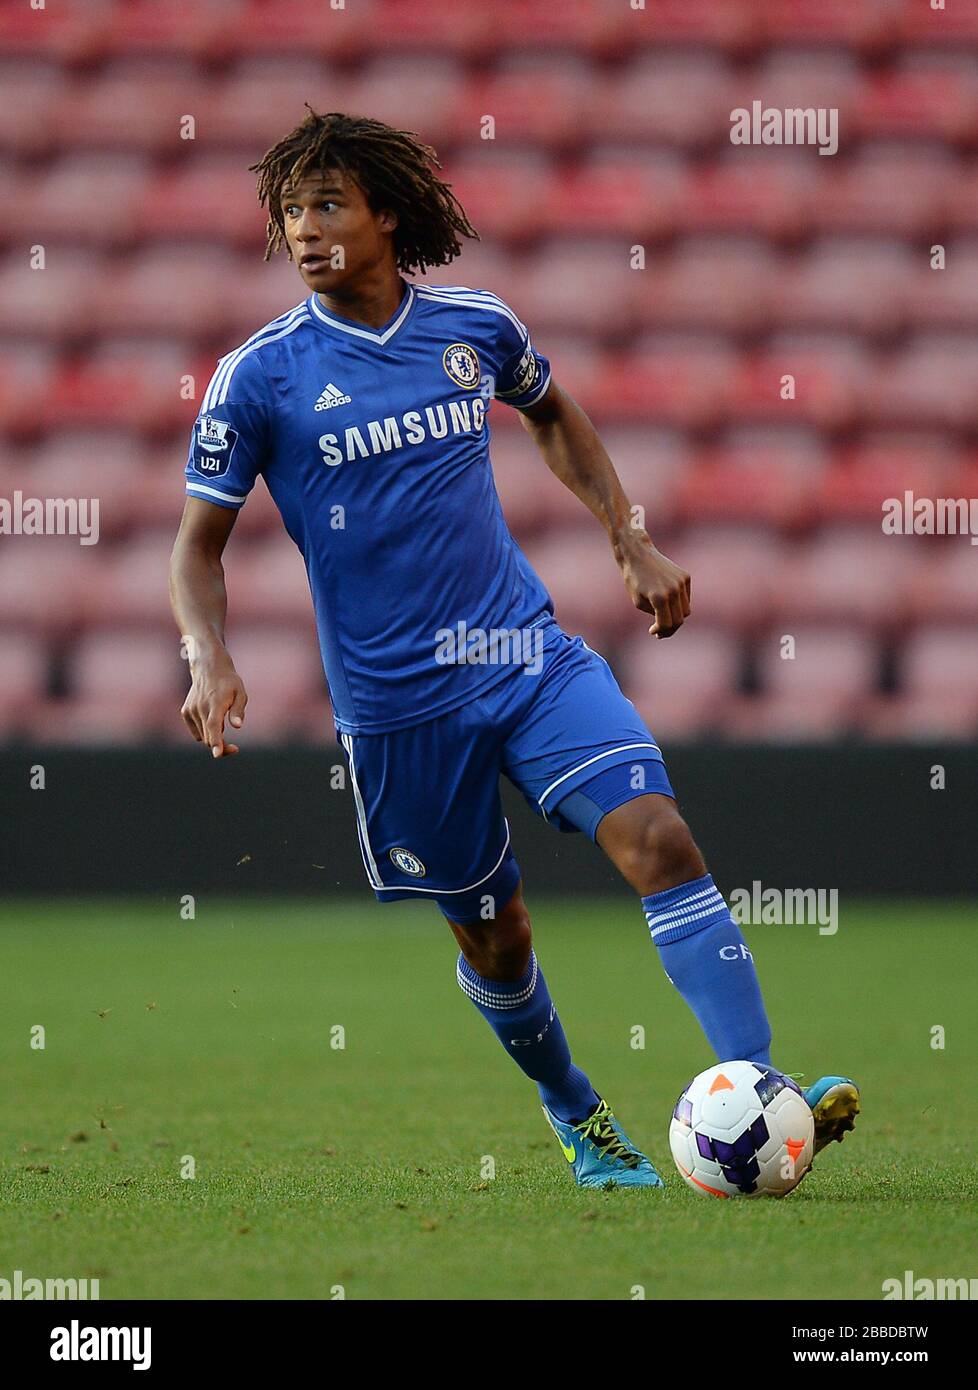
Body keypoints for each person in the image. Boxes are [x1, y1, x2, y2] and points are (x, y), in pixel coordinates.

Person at [169, 110, 859, 1189]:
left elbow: (554, 414)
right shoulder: (259, 377)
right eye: (290, 211)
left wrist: (628, 537)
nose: (304, 230)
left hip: (524, 654)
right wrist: (206, 655)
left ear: (385, 214)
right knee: (497, 938)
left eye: (327, 206)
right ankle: (575, 1110)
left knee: (660, 840)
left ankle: (765, 1086)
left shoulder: (474, 328)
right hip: (399, 710)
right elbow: (196, 547)